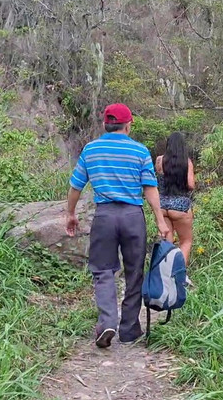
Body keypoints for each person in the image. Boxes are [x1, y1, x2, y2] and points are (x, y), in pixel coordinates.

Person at [65, 103, 171, 348]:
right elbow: (150, 188)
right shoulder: (140, 151)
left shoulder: (91, 150)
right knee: (134, 271)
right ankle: (130, 329)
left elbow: (76, 186)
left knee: (102, 270)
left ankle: (108, 321)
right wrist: (160, 219)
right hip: (133, 216)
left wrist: (70, 213)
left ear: (105, 124)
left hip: (105, 216)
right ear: (128, 124)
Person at [155, 132, 195, 281]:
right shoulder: (187, 162)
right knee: (186, 241)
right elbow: (191, 185)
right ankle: (179, 275)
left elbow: (157, 182)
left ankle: (165, 276)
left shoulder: (159, 161)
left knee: (167, 243)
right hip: (180, 207)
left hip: (163, 206)